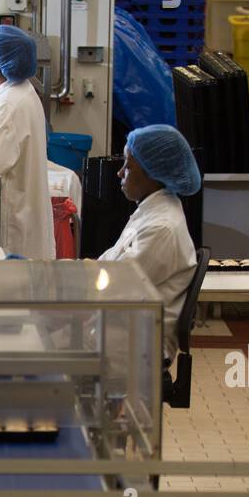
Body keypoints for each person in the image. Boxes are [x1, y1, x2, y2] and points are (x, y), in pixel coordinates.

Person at [99, 125, 200, 364]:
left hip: (137, 347)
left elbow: (113, 288)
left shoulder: (161, 228)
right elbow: (110, 264)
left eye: (128, 166)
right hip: (125, 329)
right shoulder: (151, 212)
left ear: (153, 174)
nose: (120, 173)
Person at [0, 24, 55, 261]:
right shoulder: (19, 91)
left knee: (13, 286)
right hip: (23, 210)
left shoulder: (9, 104)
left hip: (14, 218)